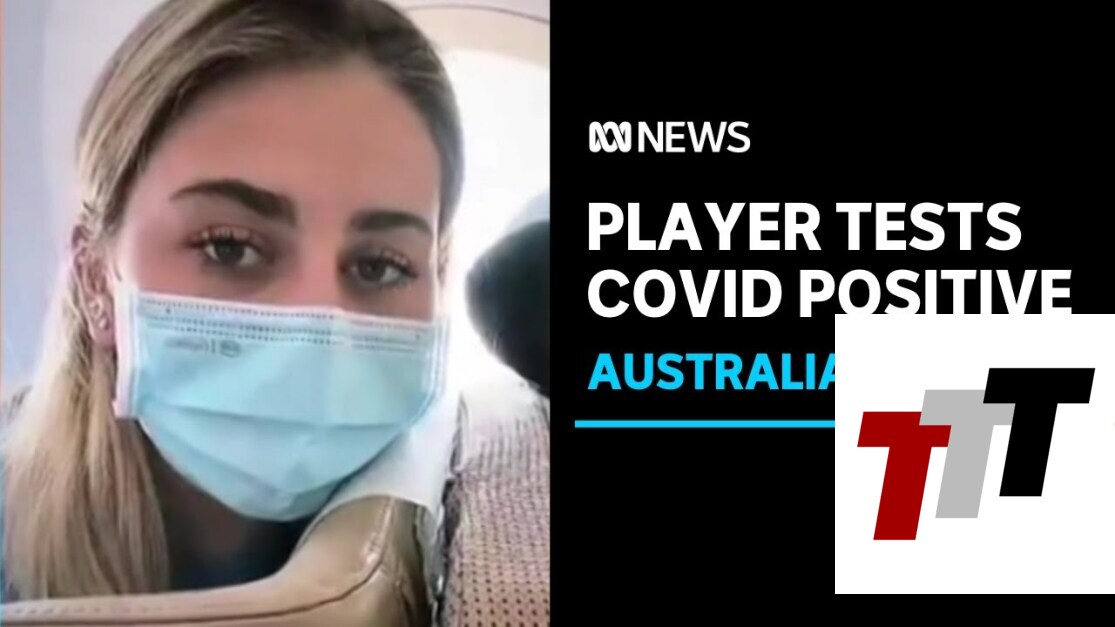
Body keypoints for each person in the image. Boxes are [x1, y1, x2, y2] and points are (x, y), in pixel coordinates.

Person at [1, 0, 462, 601]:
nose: (318, 323)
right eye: (229, 248)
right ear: (95, 278)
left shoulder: (444, 511)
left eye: (379, 266)